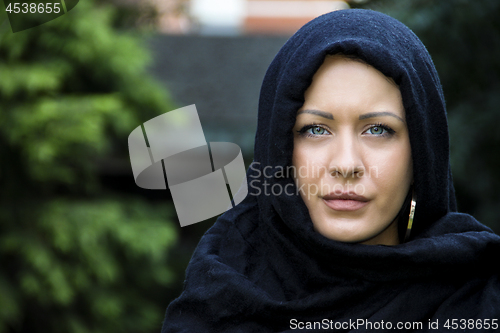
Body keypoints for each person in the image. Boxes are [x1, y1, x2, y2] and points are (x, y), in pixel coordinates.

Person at [161, 9, 500, 332]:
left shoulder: (478, 301)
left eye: (378, 129)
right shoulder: (218, 300)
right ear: (278, 149)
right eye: (316, 129)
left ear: (422, 154)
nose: (346, 165)